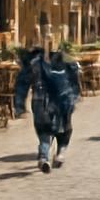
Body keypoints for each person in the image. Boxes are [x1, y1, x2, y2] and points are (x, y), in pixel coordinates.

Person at [13, 44, 81, 173]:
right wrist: (75, 96)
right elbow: (74, 79)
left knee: (44, 131)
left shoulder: (34, 62)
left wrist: (19, 105)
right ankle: (60, 154)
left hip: (40, 100)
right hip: (63, 99)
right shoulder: (66, 59)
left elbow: (22, 83)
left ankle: (44, 157)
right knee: (64, 129)